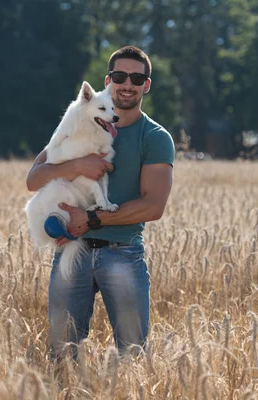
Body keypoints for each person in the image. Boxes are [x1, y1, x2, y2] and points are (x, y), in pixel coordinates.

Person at [25, 46, 175, 362]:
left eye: (137, 78)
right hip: (71, 250)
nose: (127, 84)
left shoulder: (155, 137)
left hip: (122, 253)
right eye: (120, 76)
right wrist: (78, 166)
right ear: (108, 81)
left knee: (131, 357)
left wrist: (90, 219)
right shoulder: (78, 122)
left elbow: (153, 206)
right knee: (62, 357)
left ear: (147, 85)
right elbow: (34, 180)